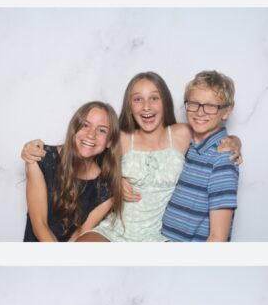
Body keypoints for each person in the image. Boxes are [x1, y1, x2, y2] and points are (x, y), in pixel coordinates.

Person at [22, 72, 241, 242]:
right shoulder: (122, 138)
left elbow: (209, 130)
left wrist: (234, 141)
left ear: (165, 101)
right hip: (113, 229)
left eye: (154, 98)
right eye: (137, 99)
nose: (146, 106)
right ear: (130, 105)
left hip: (156, 236)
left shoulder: (182, 134)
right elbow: (85, 147)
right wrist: (36, 150)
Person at [23, 101, 123, 242]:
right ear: (74, 128)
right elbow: (39, 225)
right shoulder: (40, 158)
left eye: (102, 130)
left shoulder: (107, 188)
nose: (91, 135)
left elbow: (79, 234)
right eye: (85, 125)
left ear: (109, 142)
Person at [162, 70, 239, 241]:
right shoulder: (187, 145)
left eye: (211, 106)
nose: (200, 112)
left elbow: (218, 237)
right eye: (194, 103)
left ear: (226, 111)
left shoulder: (223, 159)